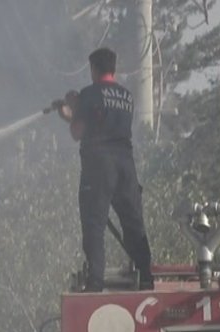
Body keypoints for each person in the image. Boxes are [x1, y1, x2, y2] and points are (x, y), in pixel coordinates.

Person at [57, 47, 153, 293]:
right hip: (125, 165)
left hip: (99, 166)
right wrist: (77, 111)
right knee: (133, 224)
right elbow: (106, 124)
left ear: (94, 69)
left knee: (94, 224)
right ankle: (146, 277)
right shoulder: (127, 97)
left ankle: (95, 282)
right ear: (113, 68)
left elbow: (79, 132)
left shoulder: (89, 94)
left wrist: (71, 111)